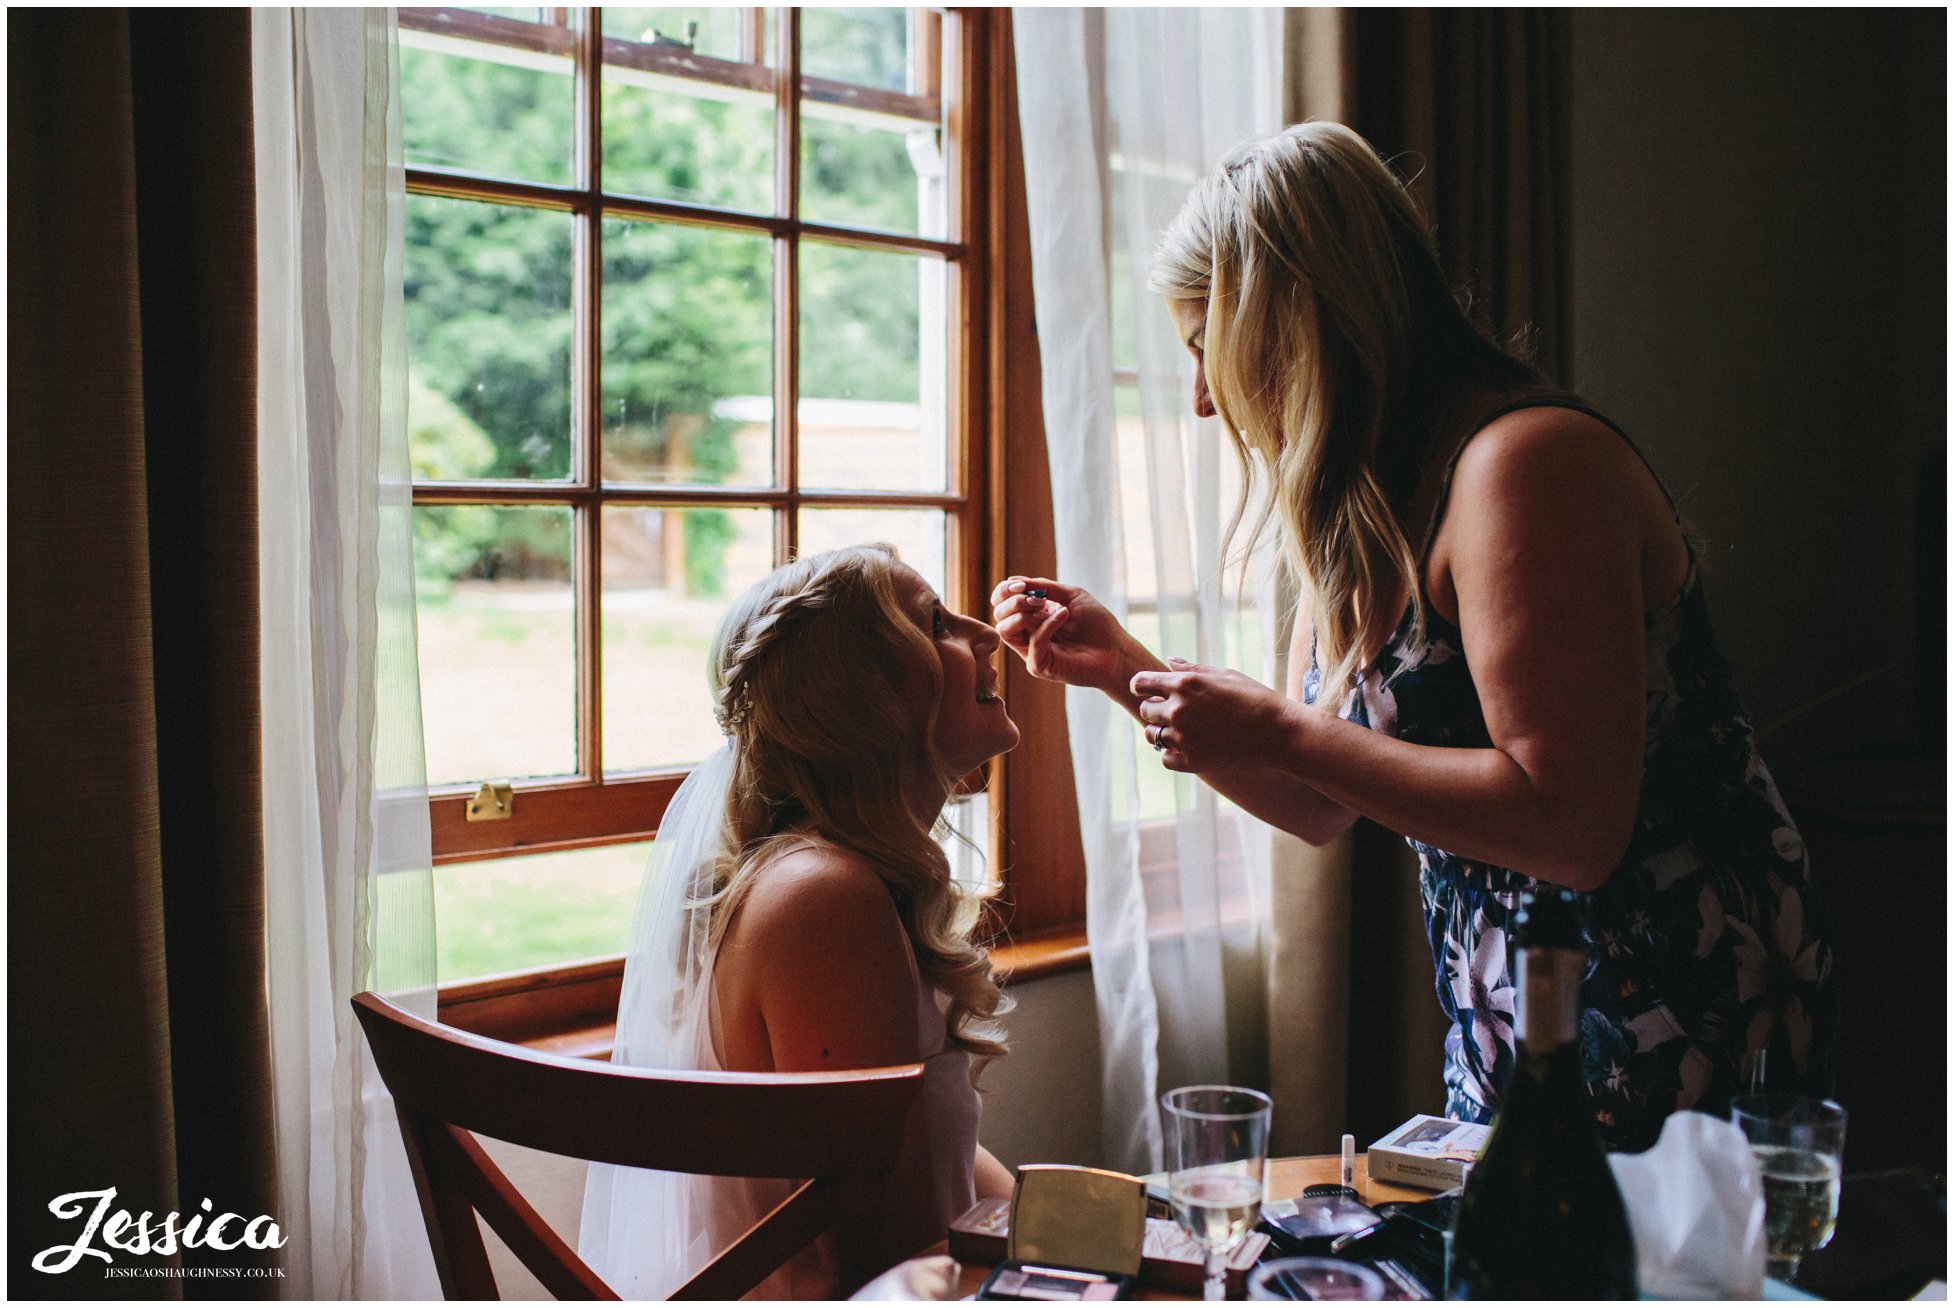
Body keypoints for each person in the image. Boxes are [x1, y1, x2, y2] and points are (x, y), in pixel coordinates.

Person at [992, 122, 1837, 1152]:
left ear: (1288, 321)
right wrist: (1126, 670)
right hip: (1514, 1006)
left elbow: (1572, 826)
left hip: (1669, 991)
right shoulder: (1360, 506)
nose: (1207, 401)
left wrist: (1280, 731)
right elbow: (1317, 802)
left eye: (1203, 347)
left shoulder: (1525, 466)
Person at [582, 544, 1019, 1298]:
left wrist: (1084, 1237)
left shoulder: (839, 880)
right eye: (937, 621)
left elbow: (938, 1159)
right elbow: (889, 1257)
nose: (988, 634)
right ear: (862, 696)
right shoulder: (824, 898)